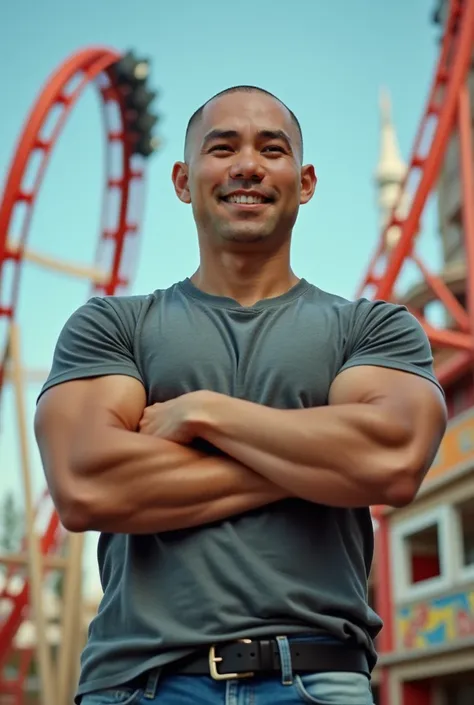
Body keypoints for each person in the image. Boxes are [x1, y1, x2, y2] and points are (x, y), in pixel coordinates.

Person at [34, 85, 447, 705]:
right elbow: (89, 484)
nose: (247, 165)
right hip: (139, 682)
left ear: (305, 182)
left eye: (271, 149)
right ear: (182, 179)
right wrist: (322, 463)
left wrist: (203, 412)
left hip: (318, 677)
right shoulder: (112, 326)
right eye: (222, 147)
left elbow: (390, 459)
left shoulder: (375, 327)